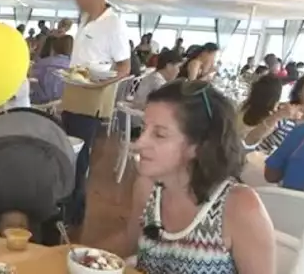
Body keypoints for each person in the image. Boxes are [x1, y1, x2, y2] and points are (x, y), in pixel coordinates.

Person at [101, 80, 275, 273]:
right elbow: (130, 240)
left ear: (198, 146)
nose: (139, 143)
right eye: (143, 129)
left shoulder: (240, 207)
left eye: (159, 134)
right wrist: (76, 255)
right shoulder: (147, 188)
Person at [61, 0, 130, 228]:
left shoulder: (114, 23)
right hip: (72, 91)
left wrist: (101, 84)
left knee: (79, 157)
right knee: (66, 151)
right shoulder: (85, 18)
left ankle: (75, 214)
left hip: (91, 98)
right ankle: (64, 206)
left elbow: (124, 67)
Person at [129, 50, 183, 138]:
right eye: (178, 67)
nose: (178, 71)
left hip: (141, 117)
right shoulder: (158, 82)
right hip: (141, 122)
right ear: (169, 66)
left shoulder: (155, 77)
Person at [30, 35, 73, 104]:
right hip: (62, 104)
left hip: (39, 102)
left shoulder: (42, 63)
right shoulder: (73, 66)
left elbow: (32, 80)